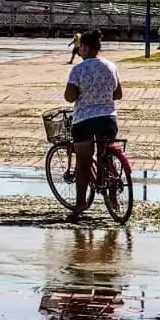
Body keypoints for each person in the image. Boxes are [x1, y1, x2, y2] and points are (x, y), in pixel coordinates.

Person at [63, 29, 122, 216]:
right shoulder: (111, 67)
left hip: (84, 121)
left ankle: (80, 203)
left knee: (84, 162)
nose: (79, 50)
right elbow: (118, 94)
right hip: (108, 119)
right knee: (105, 154)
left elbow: (69, 97)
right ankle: (113, 194)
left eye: (81, 48)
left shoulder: (78, 70)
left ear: (86, 49)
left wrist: (83, 95)